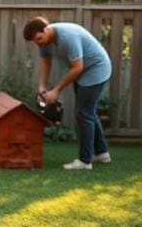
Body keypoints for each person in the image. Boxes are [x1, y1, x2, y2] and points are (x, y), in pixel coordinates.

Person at [23, 17, 112, 170]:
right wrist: (42, 86)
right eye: (34, 42)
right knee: (88, 112)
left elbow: (77, 67)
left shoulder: (68, 37)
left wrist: (56, 90)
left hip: (96, 68)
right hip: (82, 71)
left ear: (46, 29)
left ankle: (85, 161)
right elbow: (45, 61)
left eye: (39, 39)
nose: (38, 43)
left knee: (83, 114)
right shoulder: (43, 41)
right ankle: (102, 153)